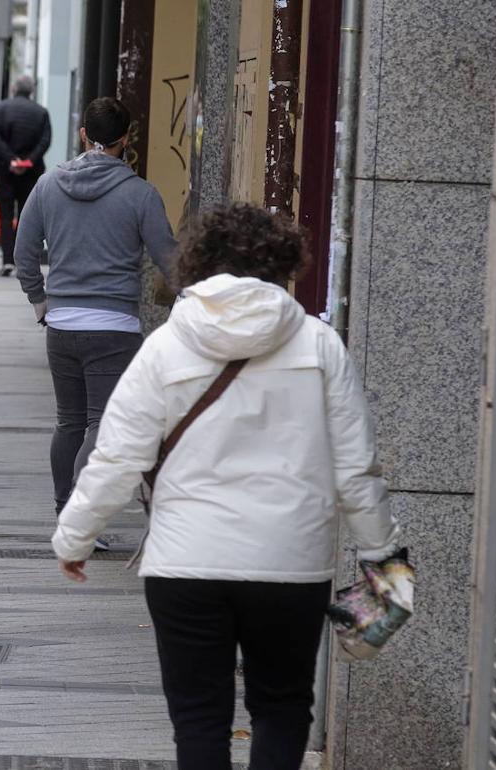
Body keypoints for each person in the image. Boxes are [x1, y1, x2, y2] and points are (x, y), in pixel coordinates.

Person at [53, 203, 401, 770]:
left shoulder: (166, 346)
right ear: (282, 263)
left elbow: (117, 456)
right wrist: (383, 557)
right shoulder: (318, 345)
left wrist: (74, 538)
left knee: (198, 720)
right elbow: (356, 468)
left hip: (185, 563)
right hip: (290, 563)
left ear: (199, 262)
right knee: (283, 707)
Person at [14, 96, 177, 536]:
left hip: (62, 324)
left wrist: (40, 300)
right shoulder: (141, 194)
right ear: (126, 139)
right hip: (115, 328)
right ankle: (80, 516)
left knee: (69, 421)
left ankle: (63, 504)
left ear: (84, 133)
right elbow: (171, 262)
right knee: (102, 425)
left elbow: (23, 252)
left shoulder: (48, 185)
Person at [0, 75, 52, 277]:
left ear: (13, 88)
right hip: (31, 173)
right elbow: (45, 141)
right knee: (28, 217)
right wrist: (29, 161)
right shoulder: (41, 112)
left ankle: (7, 260)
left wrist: (11, 160)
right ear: (31, 91)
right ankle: (22, 261)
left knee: (5, 216)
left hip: (4, 171)